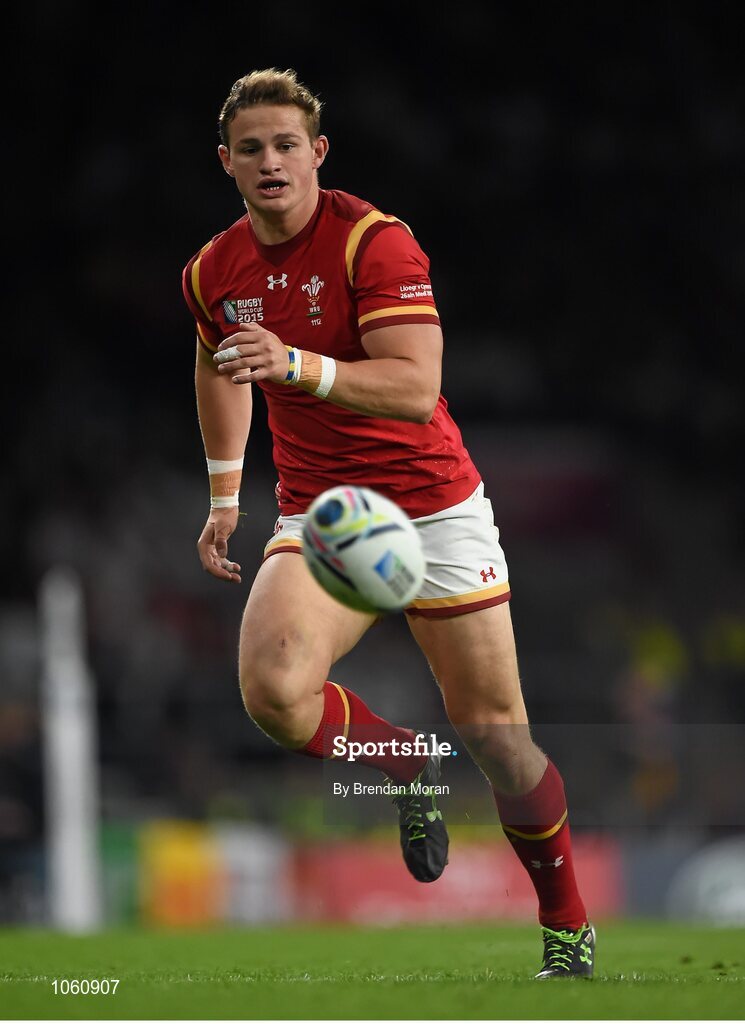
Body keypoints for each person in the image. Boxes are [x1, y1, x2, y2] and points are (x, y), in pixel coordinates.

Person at [183, 67, 595, 979]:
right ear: (227, 163)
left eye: (286, 144)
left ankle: (566, 928)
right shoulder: (214, 269)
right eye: (250, 148)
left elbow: (414, 388)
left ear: (317, 153)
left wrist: (296, 363)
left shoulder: (375, 240)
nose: (270, 161)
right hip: (328, 514)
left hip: (435, 510)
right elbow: (220, 364)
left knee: (495, 735)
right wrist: (223, 494)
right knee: (275, 694)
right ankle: (405, 765)